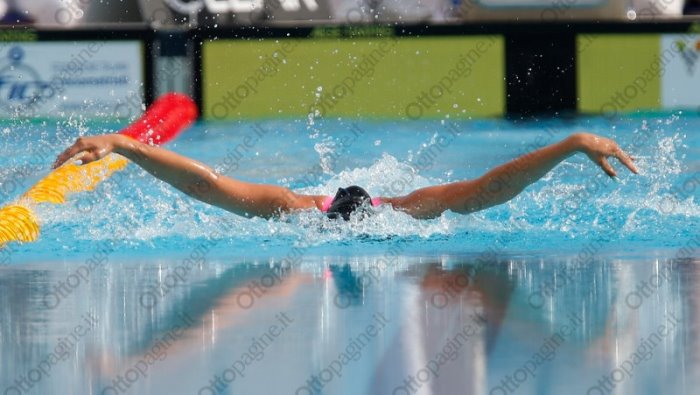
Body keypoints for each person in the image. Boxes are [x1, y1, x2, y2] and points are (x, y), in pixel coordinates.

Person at [52, 132, 638, 220]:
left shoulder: (406, 208)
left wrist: (129, 145)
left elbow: (207, 187)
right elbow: (488, 190)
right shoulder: (297, 208)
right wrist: (571, 144)